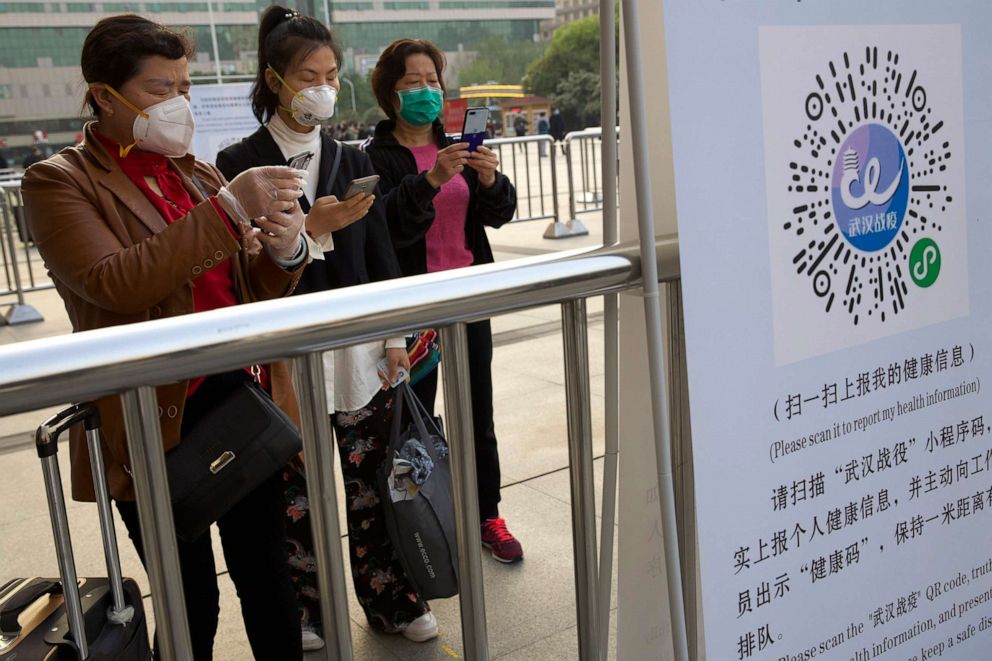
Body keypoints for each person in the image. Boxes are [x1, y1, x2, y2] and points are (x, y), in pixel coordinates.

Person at [21, 15, 309, 660]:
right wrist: (230, 210)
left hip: (235, 399)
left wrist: (284, 251)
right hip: (149, 416)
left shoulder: (193, 171)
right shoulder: (60, 181)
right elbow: (114, 282)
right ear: (103, 94)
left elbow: (245, 290)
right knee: (188, 595)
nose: (177, 103)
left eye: (183, 85)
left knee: (269, 574)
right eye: (158, 89)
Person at [215, 6, 436, 650]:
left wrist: (395, 338)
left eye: (332, 73)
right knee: (293, 491)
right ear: (274, 80)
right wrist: (314, 229)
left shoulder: (349, 155)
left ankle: (390, 597)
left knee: (373, 485)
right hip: (284, 355)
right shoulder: (239, 161)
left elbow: (381, 256)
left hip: (359, 348)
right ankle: (304, 608)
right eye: (308, 74)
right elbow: (237, 266)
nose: (322, 86)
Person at [365, 38, 524, 563]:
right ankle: (427, 519)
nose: (426, 91)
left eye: (433, 81)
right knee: (416, 421)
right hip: (415, 312)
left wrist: (489, 178)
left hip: (468, 298)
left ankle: (487, 513)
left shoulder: (460, 145)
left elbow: (497, 216)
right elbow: (389, 230)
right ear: (390, 92)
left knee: (478, 410)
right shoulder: (376, 157)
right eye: (413, 82)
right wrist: (430, 179)